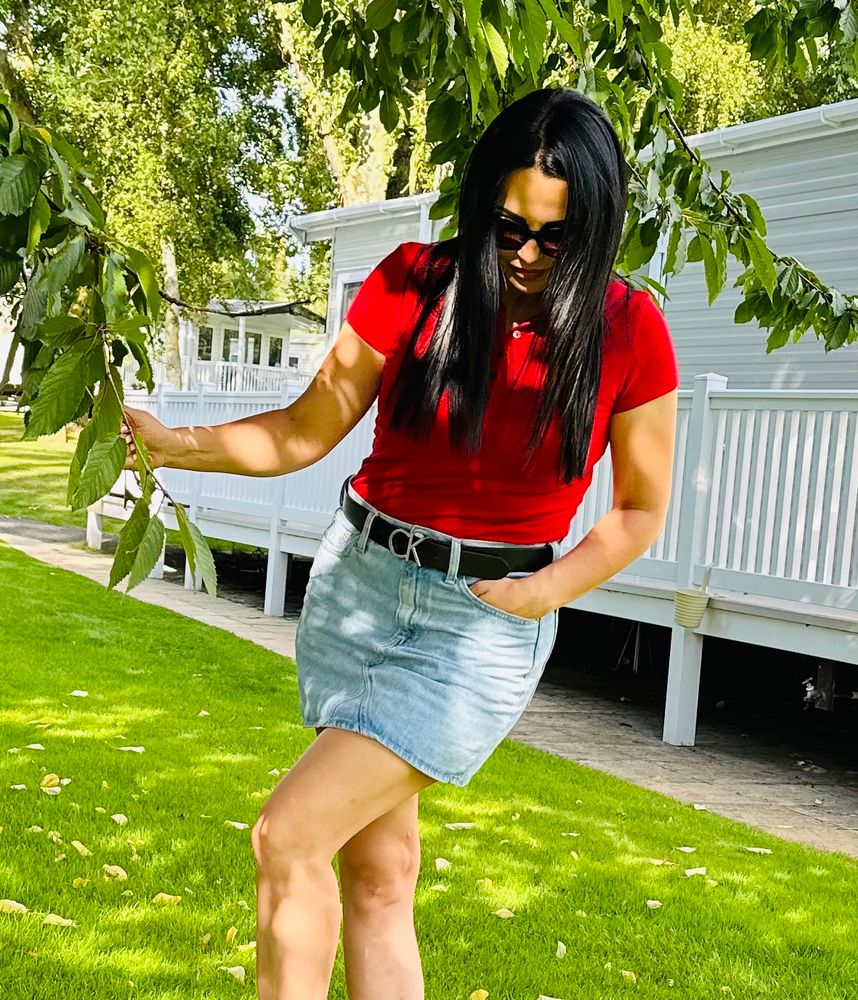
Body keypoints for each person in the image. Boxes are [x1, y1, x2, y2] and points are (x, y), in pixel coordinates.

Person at [120, 86, 678, 1000]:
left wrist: (542, 593)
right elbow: (303, 431)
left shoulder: (628, 330)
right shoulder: (415, 283)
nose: (526, 254)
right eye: (508, 227)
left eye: (555, 237)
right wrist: (176, 444)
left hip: (478, 622)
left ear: (595, 228)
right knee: (379, 876)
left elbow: (640, 510)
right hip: (360, 590)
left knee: (287, 838)